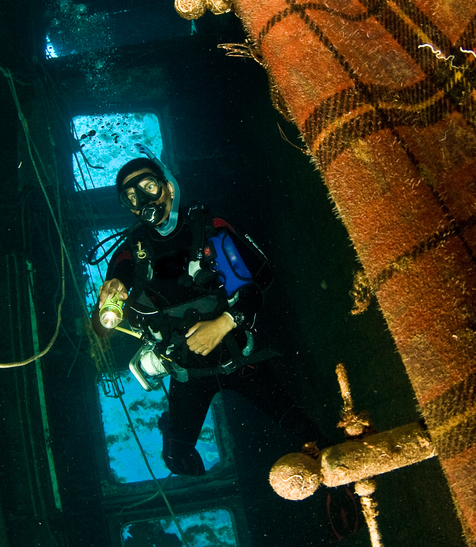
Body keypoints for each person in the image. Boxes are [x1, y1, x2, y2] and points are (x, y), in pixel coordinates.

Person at [92, 155, 328, 476]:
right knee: (179, 461)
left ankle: (334, 483)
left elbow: (261, 278)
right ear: (129, 208)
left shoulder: (209, 228)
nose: (144, 200)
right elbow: (102, 327)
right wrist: (109, 298)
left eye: (148, 186)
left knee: (303, 430)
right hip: (187, 372)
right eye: (131, 197)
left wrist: (223, 324)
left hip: (239, 358)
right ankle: (170, 429)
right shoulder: (130, 252)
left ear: (168, 187)